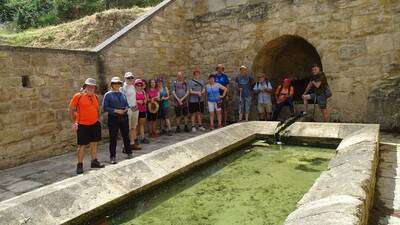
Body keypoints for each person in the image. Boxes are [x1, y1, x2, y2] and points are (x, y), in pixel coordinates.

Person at [69, 78, 104, 174]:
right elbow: (71, 109)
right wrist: (74, 122)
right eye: (89, 86)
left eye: (93, 87)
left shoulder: (95, 97)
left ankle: (94, 161)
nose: (91, 88)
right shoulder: (78, 96)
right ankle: (79, 165)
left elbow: (98, 109)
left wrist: (98, 119)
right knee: (82, 146)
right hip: (82, 124)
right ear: (85, 86)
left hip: (94, 123)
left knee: (94, 143)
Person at [102, 77, 133, 164]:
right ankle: (112, 157)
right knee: (113, 138)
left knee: (126, 136)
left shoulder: (122, 94)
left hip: (124, 117)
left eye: (118, 83)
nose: (117, 85)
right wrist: (116, 111)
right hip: (113, 118)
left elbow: (127, 104)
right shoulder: (108, 95)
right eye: (115, 83)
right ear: (112, 85)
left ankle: (129, 152)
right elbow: (105, 107)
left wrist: (126, 108)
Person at [121, 72, 141, 151]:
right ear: (125, 78)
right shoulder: (123, 88)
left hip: (135, 109)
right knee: (127, 128)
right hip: (128, 110)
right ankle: (125, 146)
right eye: (128, 78)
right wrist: (129, 107)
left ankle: (132, 143)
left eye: (131, 78)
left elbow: (133, 98)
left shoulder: (132, 86)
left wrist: (136, 105)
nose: (130, 79)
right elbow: (123, 100)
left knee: (133, 127)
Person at [135, 79, 150, 144]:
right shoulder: (134, 92)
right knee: (135, 125)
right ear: (135, 85)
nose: (139, 86)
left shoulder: (143, 92)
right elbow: (131, 100)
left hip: (142, 110)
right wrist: (138, 101)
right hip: (136, 110)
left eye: (140, 85)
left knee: (141, 125)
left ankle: (142, 137)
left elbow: (146, 100)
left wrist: (143, 101)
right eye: (138, 85)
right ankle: (135, 139)